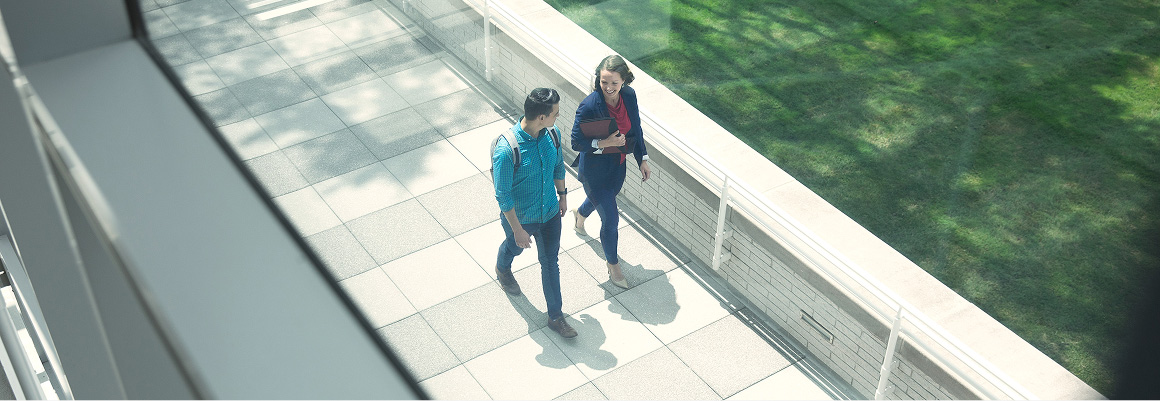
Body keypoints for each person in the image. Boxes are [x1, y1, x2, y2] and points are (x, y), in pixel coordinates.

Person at [492, 88, 576, 338]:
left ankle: (555, 317)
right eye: (555, 114)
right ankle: (502, 267)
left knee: (550, 262)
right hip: (522, 220)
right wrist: (517, 230)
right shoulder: (507, 150)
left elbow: (558, 165)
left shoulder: (552, 134)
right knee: (514, 247)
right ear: (541, 117)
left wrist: (562, 196)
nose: (557, 118)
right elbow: (503, 196)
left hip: (550, 212)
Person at [571, 55, 652, 289]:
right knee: (611, 219)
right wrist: (602, 143)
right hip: (594, 172)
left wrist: (642, 159)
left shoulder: (629, 96)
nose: (608, 87)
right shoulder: (589, 105)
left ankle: (580, 214)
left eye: (614, 83)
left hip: (618, 166)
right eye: (604, 81)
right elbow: (576, 142)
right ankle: (613, 265)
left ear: (624, 81)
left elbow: (636, 128)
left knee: (604, 201)